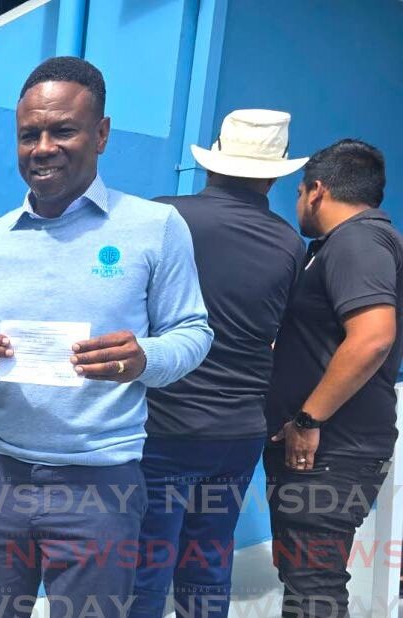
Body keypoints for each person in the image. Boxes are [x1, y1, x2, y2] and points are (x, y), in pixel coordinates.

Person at [0, 56, 213, 617]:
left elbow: (192, 332)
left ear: (102, 134)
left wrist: (144, 357)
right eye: (29, 135)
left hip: (100, 483)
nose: (43, 148)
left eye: (63, 130)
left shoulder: (154, 228)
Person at [131, 109, 308, 617]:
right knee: (208, 561)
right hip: (238, 432)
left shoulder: (163, 217)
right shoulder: (288, 243)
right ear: (274, 175)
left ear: (212, 161)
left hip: (163, 426)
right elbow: (281, 337)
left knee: (145, 564)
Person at [262, 139, 401, 618]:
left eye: (300, 192)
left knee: (313, 585)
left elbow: (373, 337)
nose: (299, 202)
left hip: (332, 450)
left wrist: (308, 419)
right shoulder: (343, 246)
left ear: (317, 190)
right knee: (305, 577)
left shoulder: (357, 241)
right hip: (325, 451)